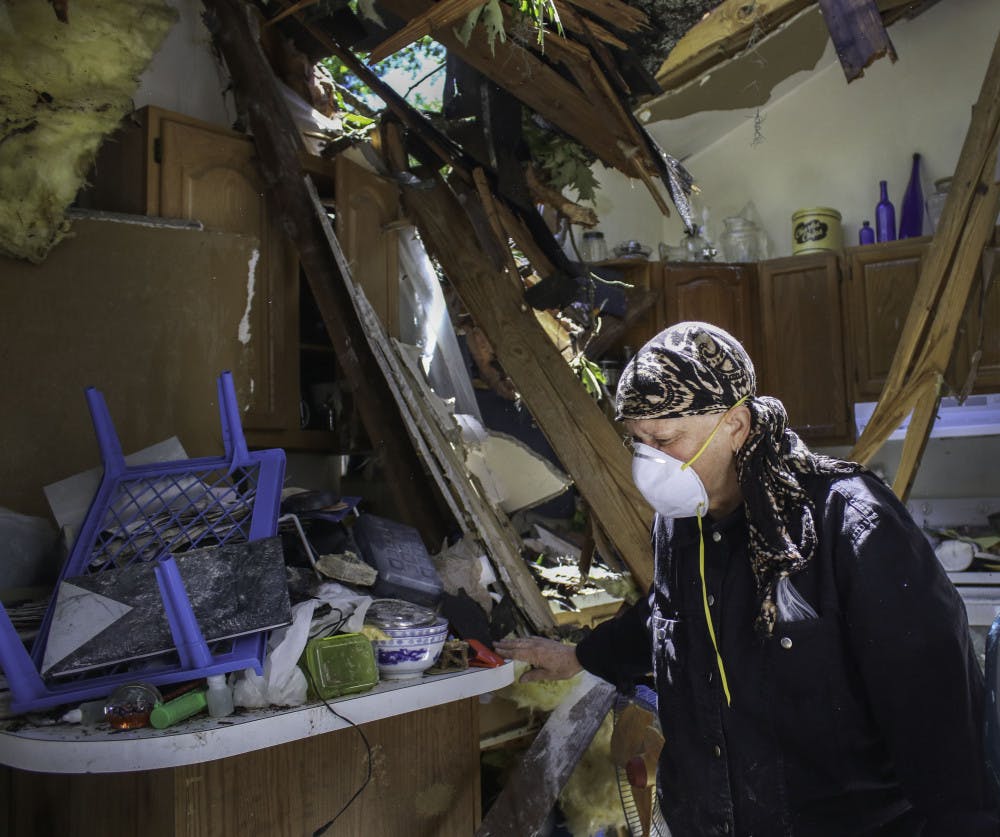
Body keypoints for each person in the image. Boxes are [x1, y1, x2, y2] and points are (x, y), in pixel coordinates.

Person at [496, 321, 999, 836]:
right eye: (637, 442)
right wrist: (580, 656)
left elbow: (939, 723)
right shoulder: (679, 526)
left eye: (664, 439)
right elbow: (669, 618)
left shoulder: (846, 524)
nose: (648, 462)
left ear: (735, 426)